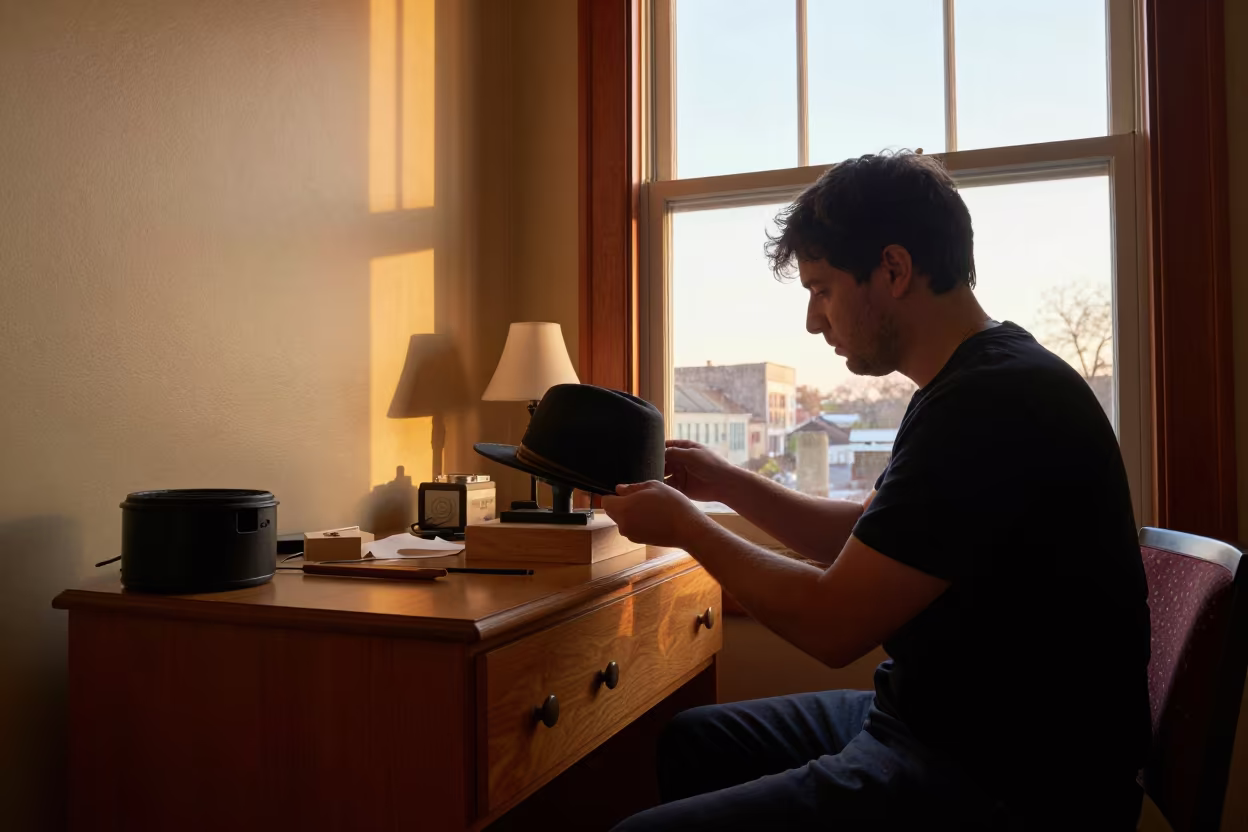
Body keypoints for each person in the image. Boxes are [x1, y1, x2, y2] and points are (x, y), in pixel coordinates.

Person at [602, 151, 1150, 831]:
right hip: (937, 717)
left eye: (823, 288)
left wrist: (685, 523)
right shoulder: (973, 379)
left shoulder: (992, 403)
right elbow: (868, 535)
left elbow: (833, 624)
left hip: (1004, 775)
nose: (812, 320)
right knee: (694, 741)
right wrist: (725, 482)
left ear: (892, 269)